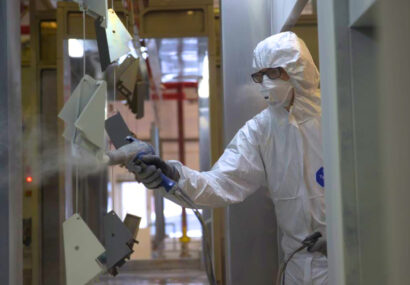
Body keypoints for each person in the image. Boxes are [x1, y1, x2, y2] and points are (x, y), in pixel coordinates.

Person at [108, 31, 327, 284]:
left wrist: (345, 237)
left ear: (299, 70)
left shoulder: (338, 116)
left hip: (349, 259)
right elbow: (222, 183)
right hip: (297, 267)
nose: (266, 83)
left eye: (274, 73)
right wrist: (172, 175)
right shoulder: (261, 131)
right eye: (259, 75)